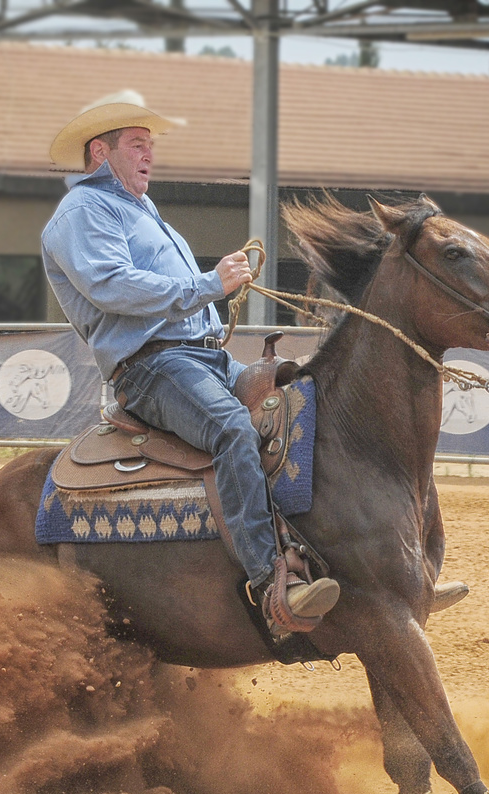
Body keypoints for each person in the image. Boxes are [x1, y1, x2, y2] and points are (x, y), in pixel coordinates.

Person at [40, 90, 340, 637]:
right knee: (230, 428)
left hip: (203, 358)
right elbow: (111, 286)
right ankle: (270, 582)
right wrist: (208, 284)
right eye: (136, 144)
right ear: (99, 153)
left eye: (150, 145)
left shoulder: (139, 209)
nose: (149, 154)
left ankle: (353, 559)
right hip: (152, 367)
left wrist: (209, 291)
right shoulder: (83, 211)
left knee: (302, 397)